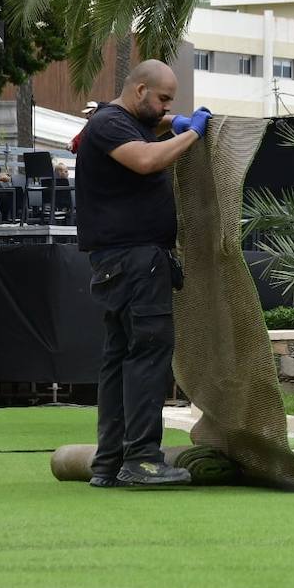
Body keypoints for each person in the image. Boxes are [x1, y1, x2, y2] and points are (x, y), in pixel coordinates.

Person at [77, 60, 211, 488]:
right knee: (148, 356)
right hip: (135, 263)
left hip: (122, 263)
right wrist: (191, 133)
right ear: (138, 91)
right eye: (164, 99)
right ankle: (142, 459)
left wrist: (172, 119)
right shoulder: (111, 125)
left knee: (120, 359)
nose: (168, 108)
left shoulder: (122, 121)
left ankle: (109, 463)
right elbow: (147, 160)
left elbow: (152, 129)